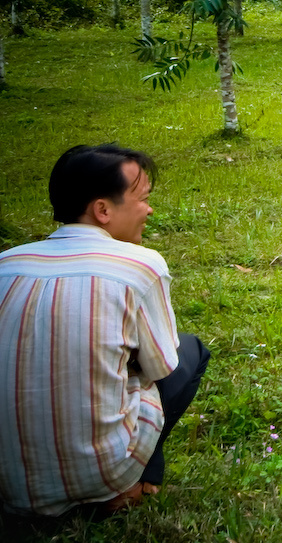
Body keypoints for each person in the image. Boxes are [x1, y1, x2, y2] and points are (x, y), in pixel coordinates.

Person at [0, 145, 210, 516]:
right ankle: (134, 478)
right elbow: (164, 368)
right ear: (102, 210)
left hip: (9, 483)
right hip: (98, 477)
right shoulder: (140, 265)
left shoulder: (7, 263)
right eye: (143, 199)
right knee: (189, 353)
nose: (149, 210)